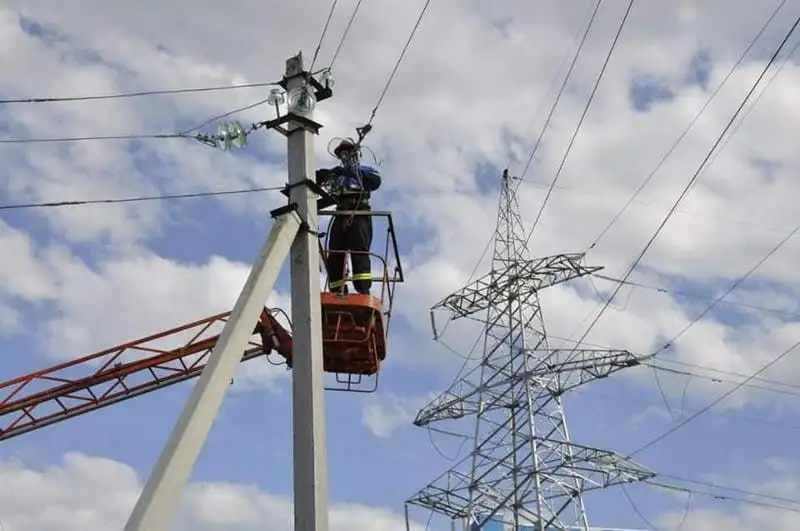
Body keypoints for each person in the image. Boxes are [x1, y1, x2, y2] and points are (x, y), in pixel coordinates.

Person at [315, 139, 382, 296]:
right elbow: (322, 184)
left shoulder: (363, 170)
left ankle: (363, 289)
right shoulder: (335, 175)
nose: (344, 156)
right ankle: (337, 290)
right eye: (341, 153)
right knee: (335, 254)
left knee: (359, 251)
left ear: (354, 153)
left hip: (359, 212)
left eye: (347, 152)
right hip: (340, 213)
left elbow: (376, 181)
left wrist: (350, 171)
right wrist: (321, 175)